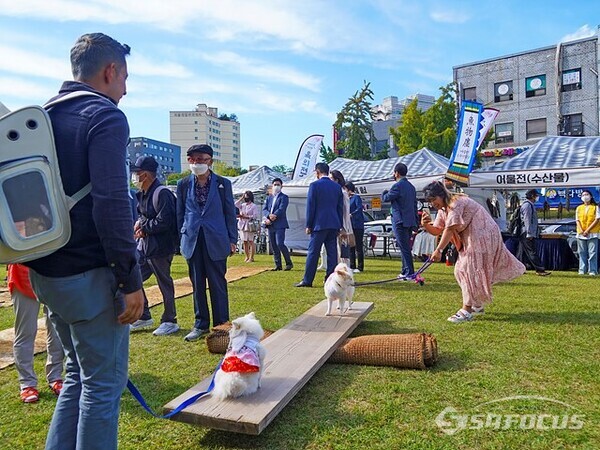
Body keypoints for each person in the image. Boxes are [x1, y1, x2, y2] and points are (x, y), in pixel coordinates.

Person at [25, 33, 144, 450]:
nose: (126, 89)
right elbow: (113, 202)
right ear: (109, 71)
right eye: (125, 78)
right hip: (91, 275)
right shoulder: (104, 116)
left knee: (78, 375)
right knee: (103, 388)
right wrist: (130, 280)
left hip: (45, 272)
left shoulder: (41, 116)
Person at [421, 181, 526, 323]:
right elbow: (438, 230)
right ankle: (477, 305)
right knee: (461, 270)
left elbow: (449, 229)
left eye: (434, 199)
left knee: (467, 269)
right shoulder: (443, 210)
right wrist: (425, 225)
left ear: (442, 195)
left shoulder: (456, 203)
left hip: (483, 233)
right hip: (472, 236)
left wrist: (439, 250)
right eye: (430, 201)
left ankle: (467, 309)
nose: (432, 203)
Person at [176, 144, 237, 341]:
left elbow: (230, 213)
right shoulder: (183, 184)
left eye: (201, 159)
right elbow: (180, 213)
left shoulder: (222, 184)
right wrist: (181, 236)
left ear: (210, 161)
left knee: (218, 283)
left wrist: (232, 239)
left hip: (217, 239)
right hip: (192, 239)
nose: (197, 163)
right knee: (197, 284)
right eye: (193, 159)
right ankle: (200, 323)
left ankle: (221, 325)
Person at [130, 156, 180, 336]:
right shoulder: (143, 193)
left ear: (144, 174)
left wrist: (143, 227)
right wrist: (140, 224)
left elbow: (165, 221)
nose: (134, 176)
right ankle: (143, 315)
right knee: (133, 276)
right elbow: (144, 216)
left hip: (160, 247)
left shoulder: (162, 193)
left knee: (164, 282)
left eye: (136, 173)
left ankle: (170, 320)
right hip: (144, 246)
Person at [8, 264, 64, 403]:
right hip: (22, 275)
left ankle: (55, 377)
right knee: (25, 332)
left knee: (57, 332)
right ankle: (27, 384)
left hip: (52, 274)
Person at [295, 163, 343, 287]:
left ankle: (308, 280)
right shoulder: (337, 187)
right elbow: (340, 208)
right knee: (332, 254)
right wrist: (339, 225)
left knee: (313, 252)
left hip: (318, 224)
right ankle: (331, 280)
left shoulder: (314, 185)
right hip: (333, 223)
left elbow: (311, 207)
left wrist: (308, 225)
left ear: (317, 172)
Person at [382, 163, 418, 277]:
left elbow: (386, 198)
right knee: (405, 247)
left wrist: (384, 192)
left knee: (404, 247)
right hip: (409, 221)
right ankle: (404, 271)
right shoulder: (411, 187)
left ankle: (409, 272)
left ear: (396, 173)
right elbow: (414, 205)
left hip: (399, 221)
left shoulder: (397, 186)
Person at [263, 178, 293, 271]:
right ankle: (278, 265)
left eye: (278, 184)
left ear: (281, 186)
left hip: (280, 224)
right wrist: (269, 216)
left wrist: (274, 215)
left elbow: (282, 208)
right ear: (272, 186)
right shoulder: (269, 197)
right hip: (270, 224)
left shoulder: (284, 197)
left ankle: (289, 263)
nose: (276, 186)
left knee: (280, 243)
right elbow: (265, 209)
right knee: (274, 245)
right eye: (275, 184)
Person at [519, 189, 551, 276]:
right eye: (536, 196)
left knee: (522, 252)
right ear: (532, 196)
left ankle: (519, 268)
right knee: (531, 251)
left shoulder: (529, 205)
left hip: (526, 232)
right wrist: (529, 233)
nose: (537, 197)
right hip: (526, 232)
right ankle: (540, 269)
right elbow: (527, 220)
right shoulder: (527, 206)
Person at [330, 170, 353, 266]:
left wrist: (343, 228)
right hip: (338, 225)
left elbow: (345, 212)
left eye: (331, 179)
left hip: (342, 226)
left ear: (337, 180)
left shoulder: (342, 193)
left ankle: (345, 274)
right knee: (338, 253)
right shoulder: (338, 192)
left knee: (343, 253)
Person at [575, 190, 600, 275]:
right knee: (582, 252)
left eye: (587, 194)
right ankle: (582, 270)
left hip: (593, 233)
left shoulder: (595, 207)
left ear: (591, 196)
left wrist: (587, 230)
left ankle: (592, 270)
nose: (585, 196)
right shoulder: (579, 208)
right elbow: (577, 220)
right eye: (583, 195)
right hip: (581, 233)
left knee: (592, 252)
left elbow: (597, 219)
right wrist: (582, 230)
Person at [235, 190, 260, 263]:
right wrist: (241, 198)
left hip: (249, 225)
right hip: (242, 224)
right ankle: (247, 256)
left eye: (247, 196)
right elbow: (235, 204)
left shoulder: (253, 206)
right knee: (244, 241)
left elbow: (255, 216)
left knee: (251, 241)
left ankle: (251, 257)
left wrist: (247, 216)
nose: (246, 198)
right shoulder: (243, 205)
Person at [346, 182, 365, 273]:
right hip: (350, 225)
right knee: (351, 245)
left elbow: (359, 208)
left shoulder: (356, 197)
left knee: (358, 246)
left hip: (357, 225)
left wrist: (352, 215)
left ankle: (360, 266)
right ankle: (352, 265)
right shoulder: (347, 199)